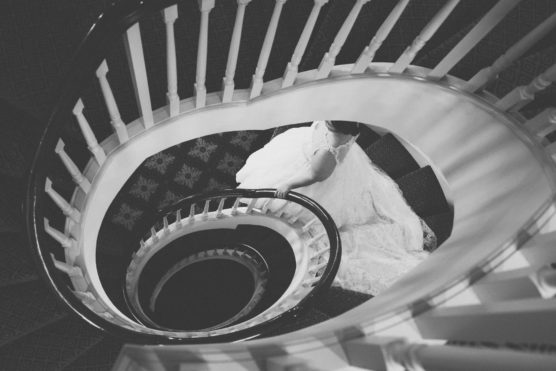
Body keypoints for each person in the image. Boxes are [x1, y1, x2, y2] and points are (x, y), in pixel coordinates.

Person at [236, 120, 430, 295]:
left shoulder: (329, 149)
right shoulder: (348, 127)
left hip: (319, 176)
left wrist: (287, 185)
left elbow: (315, 175)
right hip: (320, 154)